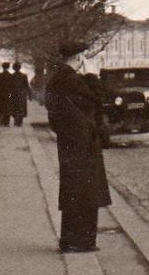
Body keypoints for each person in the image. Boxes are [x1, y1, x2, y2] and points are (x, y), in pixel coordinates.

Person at [44, 54, 111, 253]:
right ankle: (82, 241)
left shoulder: (57, 79)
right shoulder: (72, 80)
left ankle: (70, 239)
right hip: (82, 142)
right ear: (79, 58)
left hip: (70, 141)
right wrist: (92, 74)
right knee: (86, 194)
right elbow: (98, 97)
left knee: (73, 192)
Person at [0, 61, 14, 126]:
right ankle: (7, 122)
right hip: (9, 95)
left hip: (0, 95)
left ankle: (1, 121)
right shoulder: (11, 76)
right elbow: (13, 87)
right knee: (8, 108)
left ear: (2, 67)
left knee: (0, 108)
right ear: (8, 67)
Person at [10, 61, 30, 127]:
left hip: (14, 94)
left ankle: (16, 120)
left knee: (15, 107)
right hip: (21, 94)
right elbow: (26, 86)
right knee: (21, 107)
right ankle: (20, 121)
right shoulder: (24, 76)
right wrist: (28, 94)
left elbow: (10, 86)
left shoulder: (11, 76)